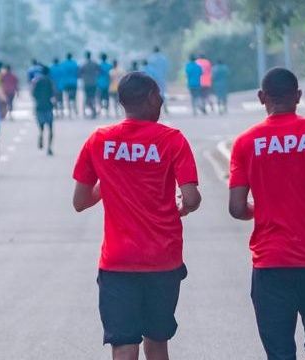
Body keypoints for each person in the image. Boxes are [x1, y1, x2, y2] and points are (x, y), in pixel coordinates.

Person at [72, 72, 201, 360]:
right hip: (162, 259)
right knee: (157, 342)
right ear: (152, 98)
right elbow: (191, 197)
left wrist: (110, 181)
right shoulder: (172, 140)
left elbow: (80, 201)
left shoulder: (99, 140)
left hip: (117, 261)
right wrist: (185, 206)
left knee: (124, 346)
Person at [228, 68, 305, 360]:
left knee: (280, 352)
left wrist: (262, 210)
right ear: (298, 96)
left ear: (261, 98)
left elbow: (235, 208)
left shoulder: (246, 142)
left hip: (271, 264)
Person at [32, 66, 57, 156]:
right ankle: (49, 148)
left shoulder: (37, 81)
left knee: (41, 126)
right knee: (50, 128)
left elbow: (33, 94)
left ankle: (41, 135)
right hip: (48, 106)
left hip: (39, 106)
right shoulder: (49, 81)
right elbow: (54, 93)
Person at [80, 51, 102, 119]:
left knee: (87, 97)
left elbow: (80, 73)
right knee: (93, 97)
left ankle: (89, 111)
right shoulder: (94, 63)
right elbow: (100, 71)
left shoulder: (84, 64)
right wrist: (95, 76)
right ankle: (93, 111)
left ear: (86, 56)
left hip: (86, 83)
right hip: (93, 83)